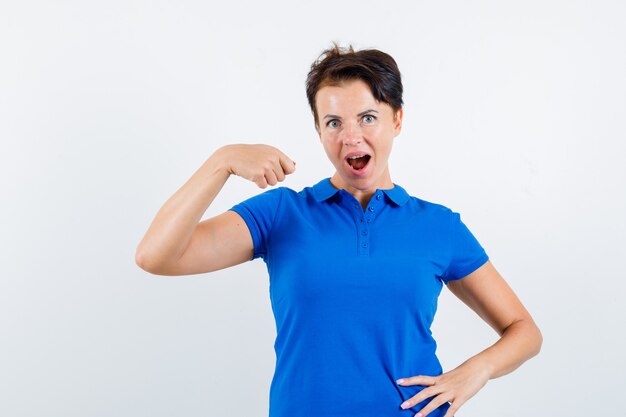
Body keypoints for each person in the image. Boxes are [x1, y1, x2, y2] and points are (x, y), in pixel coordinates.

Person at [135, 43, 543, 417]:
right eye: (333, 122)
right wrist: (220, 162)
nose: (351, 137)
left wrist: (476, 371)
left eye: (368, 117)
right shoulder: (282, 214)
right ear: (318, 130)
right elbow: (156, 256)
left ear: (397, 119)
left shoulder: (438, 226)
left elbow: (524, 331)